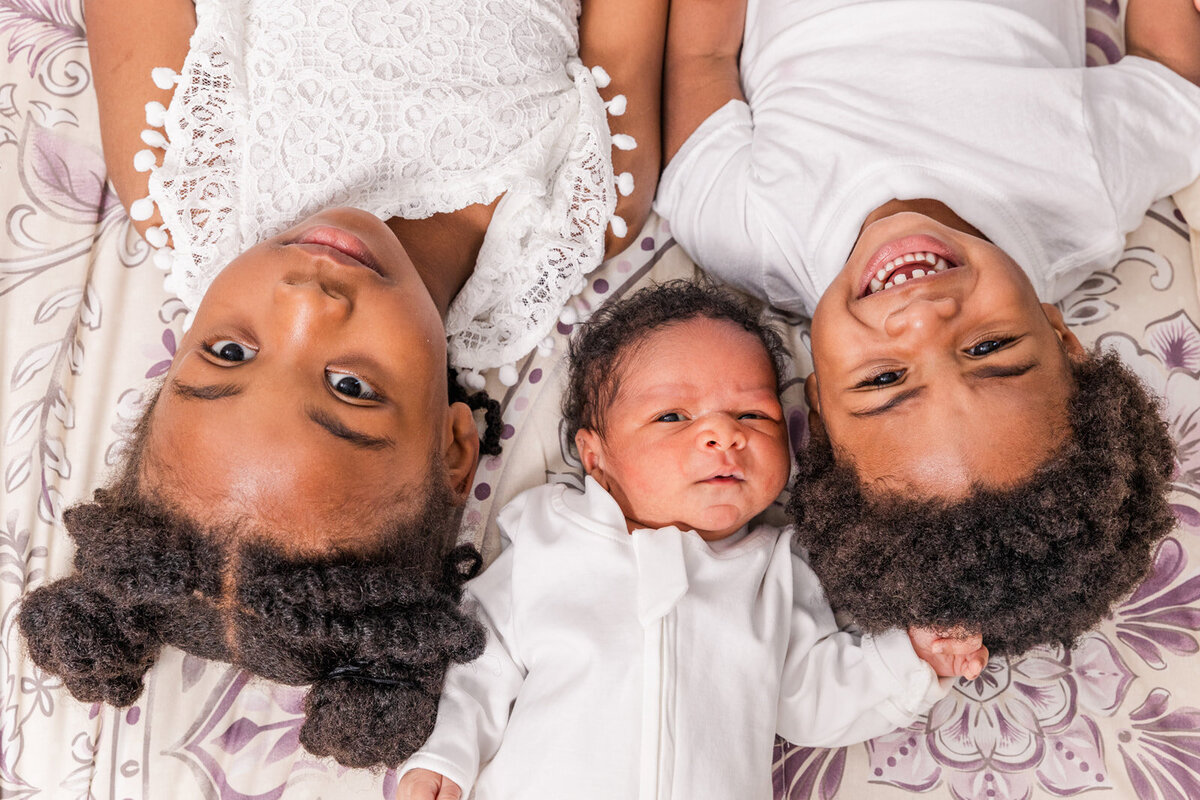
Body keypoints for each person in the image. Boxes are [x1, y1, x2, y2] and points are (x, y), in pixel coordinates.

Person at [17, 0, 666, 769]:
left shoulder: (181, 172)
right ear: (456, 448)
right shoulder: (583, 213)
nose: (307, 305)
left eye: (227, 350)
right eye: (351, 388)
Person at [654, 0, 1194, 654]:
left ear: (818, 403)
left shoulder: (741, 228)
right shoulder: (1083, 197)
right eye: (989, 348)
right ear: (1062, 337)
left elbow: (701, 56)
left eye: (885, 379)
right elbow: (1173, 83)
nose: (921, 316)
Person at [395, 281, 989, 800]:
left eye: (754, 416)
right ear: (596, 457)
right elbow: (481, 659)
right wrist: (447, 755)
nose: (723, 435)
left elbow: (810, 698)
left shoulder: (774, 572)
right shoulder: (550, 542)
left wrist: (910, 660)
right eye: (673, 417)